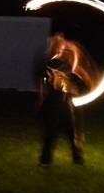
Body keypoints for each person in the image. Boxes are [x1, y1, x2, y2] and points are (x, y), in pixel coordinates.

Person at [37, 33, 96, 166]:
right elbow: (50, 82)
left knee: (71, 133)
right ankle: (46, 160)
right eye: (59, 46)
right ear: (55, 47)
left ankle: (77, 159)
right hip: (53, 103)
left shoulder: (64, 64)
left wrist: (81, 84)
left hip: (64, 104)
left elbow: (75, 78)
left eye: (62, 46)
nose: (62, 48)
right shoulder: (51, 63)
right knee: (51, 133)